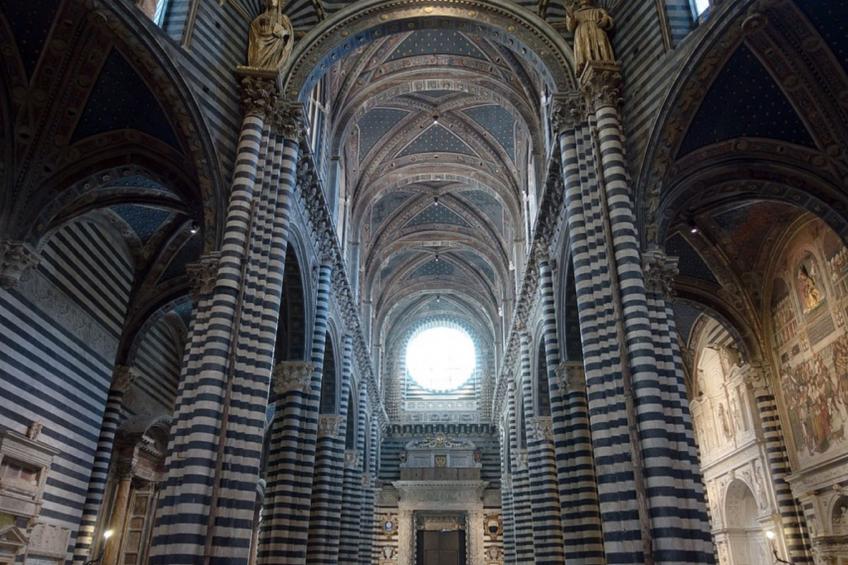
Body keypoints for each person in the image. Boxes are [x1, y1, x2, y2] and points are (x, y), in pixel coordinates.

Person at [565, 0, 616, 75]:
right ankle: (586, 64)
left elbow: (607, 20)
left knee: (601, 43)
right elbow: (570, 27)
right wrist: (570, 13)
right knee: (586, 47)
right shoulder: (576, 13)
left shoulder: (599, 10)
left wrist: (605, 20)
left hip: (597, 29)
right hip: (582, 33)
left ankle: (604, 60)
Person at [247, 0, 294, 71]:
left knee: (279, 42)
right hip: (261, 40)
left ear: (279, 2)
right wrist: (261, 25)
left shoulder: (283, 18)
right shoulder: (262, 17)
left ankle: (271, 69)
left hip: (276, 43)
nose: (272, 1)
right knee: (258, 45)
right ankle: (255, 70)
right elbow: (254, 26)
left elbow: (287, 35)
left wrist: (275, 27)